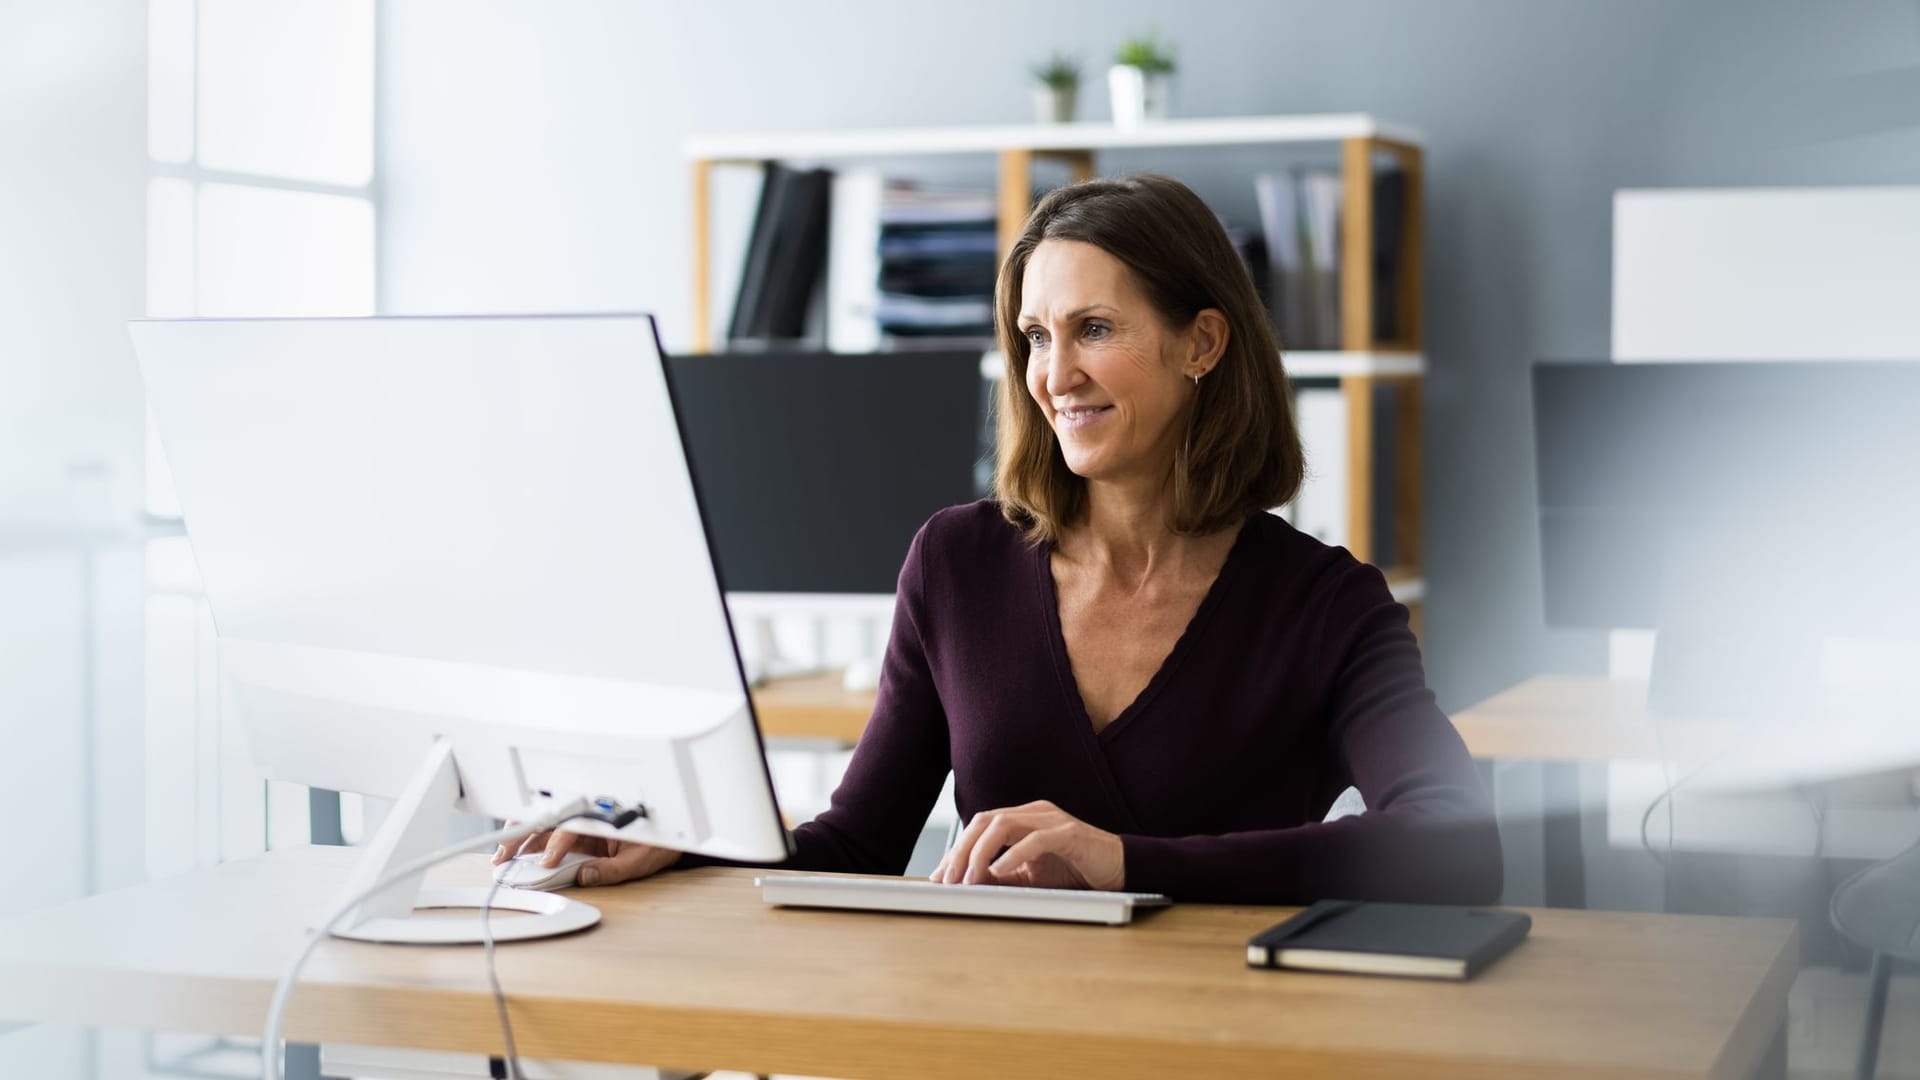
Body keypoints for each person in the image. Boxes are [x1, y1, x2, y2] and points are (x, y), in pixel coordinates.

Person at [500, 173, 1503, 904]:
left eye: (1095, 329)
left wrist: (1123, 860)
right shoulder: (957, 563)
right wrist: (691, 845)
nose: (1054, 373)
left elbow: (1457, 845)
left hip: (1220, 1041)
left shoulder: (1326, 604)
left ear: (1201, 342)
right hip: (990, 1031)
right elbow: (858, 840)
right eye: (1034, 335)